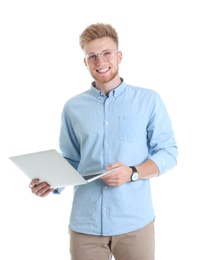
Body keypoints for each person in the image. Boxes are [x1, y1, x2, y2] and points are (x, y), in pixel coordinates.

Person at [29, 23, 178, 260]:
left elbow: (168, 152)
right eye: (92, 56)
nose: (100, 62)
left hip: (135, 225)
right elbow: (71, 159)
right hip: (85, 226)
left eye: (106, 53)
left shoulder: (148, 100)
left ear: (119, 56)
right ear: (85, 62)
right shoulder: (73, 107)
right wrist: (51, 182)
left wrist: (132, 172)